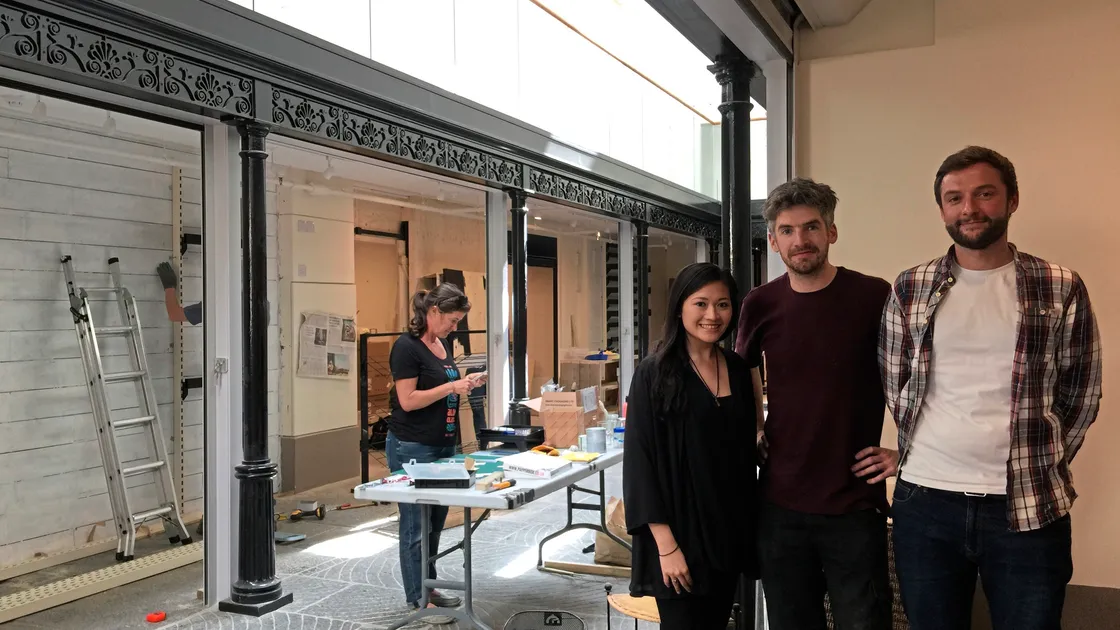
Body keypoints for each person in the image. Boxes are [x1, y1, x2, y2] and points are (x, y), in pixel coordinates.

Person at [880, 146, 1103, 630]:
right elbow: (896, 385)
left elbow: (1081, 392)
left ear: (1012, 200)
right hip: (926, 504)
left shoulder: (1058, 284)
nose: (970, 208)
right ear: (941, 209)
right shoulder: (911, 286)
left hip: (1027, 506)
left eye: (984, 194)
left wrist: (1042, 458)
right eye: (954, 197)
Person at [735, 178, 895, 630]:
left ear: (831, 232)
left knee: (863, 623)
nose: (799, 240)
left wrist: (905, 450)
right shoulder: (759, 303)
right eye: (786, 230)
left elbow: (913, 378)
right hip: (781, 504)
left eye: (810, 227)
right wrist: (757, 426)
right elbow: (743, 368)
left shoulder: (874, 296)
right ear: (772, 240)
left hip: (854, 505)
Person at [623, 262, 759, 630]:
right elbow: (640, 463)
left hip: (726, 533)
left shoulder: (736, 368)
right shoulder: (654, 373)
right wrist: (666, 548)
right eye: (701, 303)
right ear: (680, 306)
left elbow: (747, 448)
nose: (712, 315)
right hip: (678, 536)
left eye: (723, 304)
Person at [386, 283, 485, 623]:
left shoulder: (440, 344)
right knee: (415, 525)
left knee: (435, 524)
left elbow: (444, 389)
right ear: (433, 312)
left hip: (443, 444)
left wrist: (468, 382)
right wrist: (450, 386)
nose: (454, 328)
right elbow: (408, 400)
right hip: (413, 446)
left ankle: (427, 586)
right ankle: (417, 598)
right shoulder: (406, 348)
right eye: (452, 320)